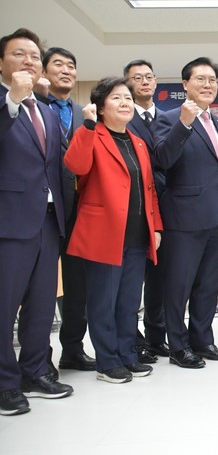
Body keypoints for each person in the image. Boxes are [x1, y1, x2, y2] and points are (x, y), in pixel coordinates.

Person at [64, 77, 163, 383]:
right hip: (104, 234)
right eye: (116, 97)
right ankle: (107, 362)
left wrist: (156, 227)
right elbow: (76, 165)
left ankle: (127, 354)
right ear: (100, 106)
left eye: (127, 98)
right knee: (103, 303)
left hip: (137, 235)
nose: (124, 103)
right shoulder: (92, 134)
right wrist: (87, 126)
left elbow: (149, 189)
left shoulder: (138, 142)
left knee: (129, 302)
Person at [0, 28, 72, 416]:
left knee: (42, 305)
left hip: (48, 220)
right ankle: (4, 383)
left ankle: (35, 371)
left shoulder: (45, 111)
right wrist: (12, 100)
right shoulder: (6, 103)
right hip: (9, 221)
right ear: (1, 63)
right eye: (19, 54)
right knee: (4, 306)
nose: (29, 61)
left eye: (34, 56)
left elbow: (57, 167)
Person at [155, 57, 218, 368]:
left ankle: (203, 340)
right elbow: (163, 159)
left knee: (207, 285)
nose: (207, 85)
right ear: (185, 84)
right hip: (183, 218)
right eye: (200, 79)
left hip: (215, 215)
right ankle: (178, 347)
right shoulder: (169, 118)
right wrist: (184, 124)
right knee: (178, 286)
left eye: (212, 80)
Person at [35, 47, 95, 373]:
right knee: (40, 289)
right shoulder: (33, 107)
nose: (66, 70)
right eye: (58, 64)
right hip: (42, 213)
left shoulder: (83, 114)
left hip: (79, 213)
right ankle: (38, 359)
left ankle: (72, 349)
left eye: (71, 66)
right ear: (44, 71)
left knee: (78, 287)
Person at [124, 59, 168, 362]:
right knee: (131, 280)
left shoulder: (170, 117)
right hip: (135, 208)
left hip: (169, 208)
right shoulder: (122, 118)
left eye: (149, 77)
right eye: (137, 78)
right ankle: (131, 340)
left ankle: (156, 337)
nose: (144, 82)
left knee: (160, 278)